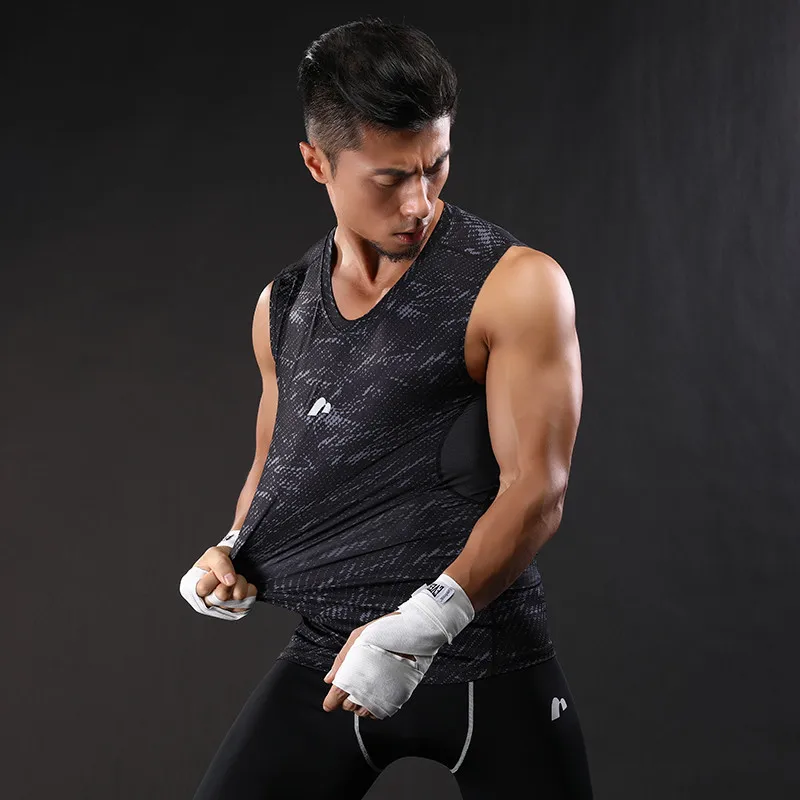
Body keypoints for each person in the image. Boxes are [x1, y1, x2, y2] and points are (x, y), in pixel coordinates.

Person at [180, 17, 593, 799]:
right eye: (390, 179)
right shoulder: (284, 306)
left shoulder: (516, 285)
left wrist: (420, 628)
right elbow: (280, 465)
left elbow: (538, 490)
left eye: (436, 168)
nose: (420, 202)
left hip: (486, 665)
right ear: (317, 163)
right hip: (332, 657)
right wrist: (232, 549)